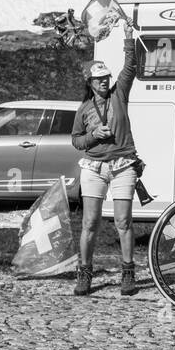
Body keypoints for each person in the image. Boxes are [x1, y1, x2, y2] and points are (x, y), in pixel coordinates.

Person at [71, 22, 141, 297]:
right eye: (99, 79)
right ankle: (84, 273)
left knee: (124, 221)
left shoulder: (119, 94)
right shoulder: (84, 109)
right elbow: (76, 140)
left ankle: (128, 273)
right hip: (94, 167)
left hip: (123, 165)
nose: (104, 81)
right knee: (90, 223)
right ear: (89, 82)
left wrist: (127, 38)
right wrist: (93, 136)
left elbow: (131, 68)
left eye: (106, 77)